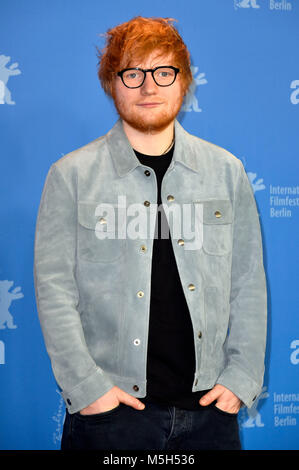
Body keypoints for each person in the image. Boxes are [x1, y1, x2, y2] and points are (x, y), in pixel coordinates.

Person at [33, 16, 267, 451]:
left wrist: (241, 380)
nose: (148, 87)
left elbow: (248, 284)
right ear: (111, 83)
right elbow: (54, 291)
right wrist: (88, 390)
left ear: (184, 81)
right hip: (110, 419)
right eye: (132, 73)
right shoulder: (71, 177)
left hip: (211, 417)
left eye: (163, 72)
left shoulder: (226, 173)